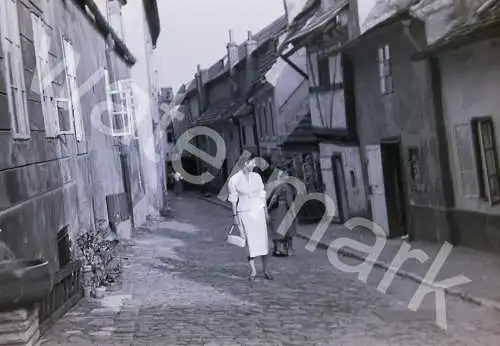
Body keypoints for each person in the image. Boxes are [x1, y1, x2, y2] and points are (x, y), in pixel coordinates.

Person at [227, 157, 273, 281]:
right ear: (245, 163)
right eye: (252, 162)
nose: (253, 165)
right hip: (244, 212)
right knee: (250, 243)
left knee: (263, 241)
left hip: (258, 211)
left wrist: (266, 211)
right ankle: (253, 270)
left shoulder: (257, 177)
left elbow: (262, 194)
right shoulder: (234, 179)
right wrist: (235, 216)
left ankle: (266, 269)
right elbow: (233, 199)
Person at [268, 166, 298, 257]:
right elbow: (289, 200)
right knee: (287, 231)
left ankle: (281, 249)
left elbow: (272, 198)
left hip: (278, 210)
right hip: (284, 210)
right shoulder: (285, 186)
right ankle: (288, 249)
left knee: (279, 231)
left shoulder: (279, 186)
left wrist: (268, 208)